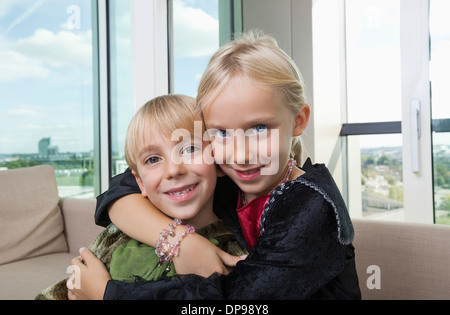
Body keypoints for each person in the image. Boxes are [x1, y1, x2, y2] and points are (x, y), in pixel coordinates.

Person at [70, 30, 361, 300]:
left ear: (298, 120)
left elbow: (240, 300)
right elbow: (122, 188)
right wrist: (179, 241)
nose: (240, 154)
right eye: (221, 133)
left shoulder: (313, 207)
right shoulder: (225, 176)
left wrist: (106, 293)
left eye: (259, 128)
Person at [67, 94, 247, 300]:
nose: (173, 169)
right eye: (153, 159)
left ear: (217, 159)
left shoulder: (238, 252)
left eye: (189, 149)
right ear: (140, 183)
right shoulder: (118, 236)